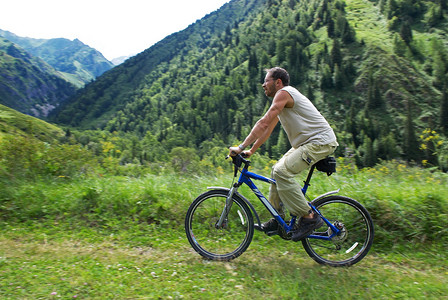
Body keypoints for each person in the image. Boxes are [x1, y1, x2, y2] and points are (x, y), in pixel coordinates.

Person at [229, 67, 338, 242]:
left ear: (277, 82)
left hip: (319, 142)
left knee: (282, 172)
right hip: (308, 143)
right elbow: (268, 129)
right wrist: (251, 150)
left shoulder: (284, 93)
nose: (263, 84)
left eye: (266, 81)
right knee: (276, 170)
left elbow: (263, 122)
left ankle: (309, 217)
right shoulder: (281, 100)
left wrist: (241, 147)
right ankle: (278, 219)